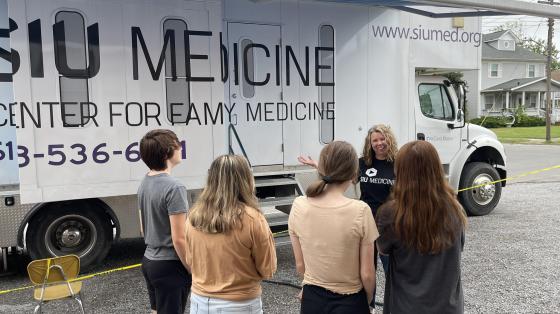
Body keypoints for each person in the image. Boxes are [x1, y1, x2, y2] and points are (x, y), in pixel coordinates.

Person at [298, 124, 398, 308]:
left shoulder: (397, 164)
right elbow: (341, 177)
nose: (379, 143)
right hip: (364, 222)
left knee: (391, 268)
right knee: (368, 269)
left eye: (382, 139)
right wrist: (318, 166)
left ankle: (394, 306)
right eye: (374, 140)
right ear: (370, 143)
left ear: (389, 139)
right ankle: (371, 306)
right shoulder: (363, 163)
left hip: (387, 226)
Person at [376, 140, 467, 314]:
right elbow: (459, 248)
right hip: (448, 307)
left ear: (400, 171)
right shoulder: (455, 208)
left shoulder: (390, 213)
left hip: (405, 306)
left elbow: (383, 250)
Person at [290, 141, 378, 314]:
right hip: (351, 301)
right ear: (354, 173)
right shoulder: (361, 210)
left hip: (312, 300)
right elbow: (367, 273)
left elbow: (300, 265)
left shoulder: (299, 205)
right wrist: (367, 301)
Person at [185, 154, 277, 314]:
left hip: (199, 302)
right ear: (246, 179)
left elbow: (190, 260)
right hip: (240, 304)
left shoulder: (193, 216)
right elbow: (267, 269)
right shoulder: (253, 219)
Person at [138, 129, 191, 314]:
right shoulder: (175, 187)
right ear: (168, 152)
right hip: (170, 266)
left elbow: (143, 228)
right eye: (178, 144)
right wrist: (192, 268)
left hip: (150, 261)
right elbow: (179, 239)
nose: (180, 147)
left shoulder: (145, 181)